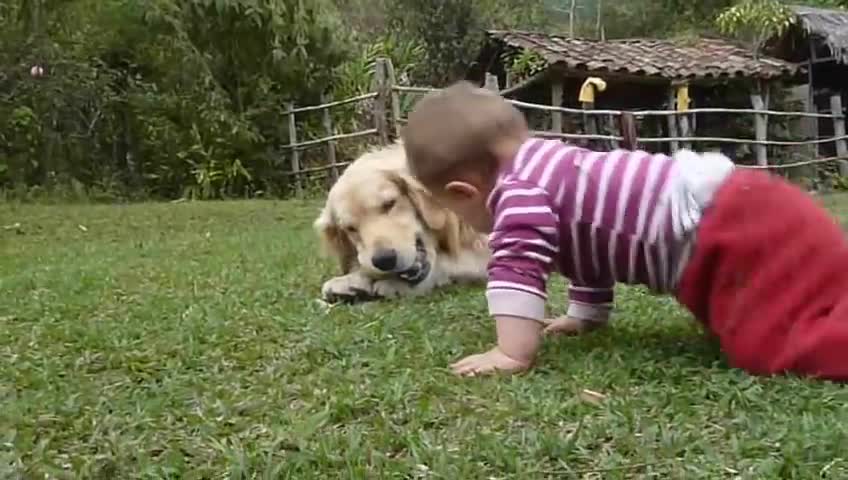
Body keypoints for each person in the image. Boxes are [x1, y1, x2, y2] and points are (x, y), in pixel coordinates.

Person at [400, 80, 848, 382]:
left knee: (770, 342)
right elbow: (589, 244)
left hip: (730, 231)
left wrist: (511, 352)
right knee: (821, 290)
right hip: (746, 204)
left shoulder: (516, 195)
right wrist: (585, 313)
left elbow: (517, 269)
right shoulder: (549, 166)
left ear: (463, 193)